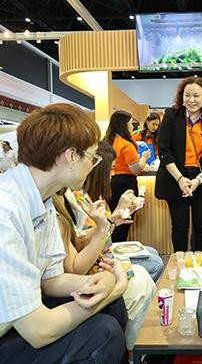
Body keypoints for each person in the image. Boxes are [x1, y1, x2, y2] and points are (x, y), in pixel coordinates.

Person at [0, 103, 127, 363]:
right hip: (13, 330)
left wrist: (95, 284)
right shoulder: (6, 210)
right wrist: (113, 290)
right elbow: (38, 330)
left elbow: (49, 281)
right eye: (92, 156)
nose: (94, 164)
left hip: (16, 321)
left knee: (111, 306)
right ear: (71, 156)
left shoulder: (41, 201)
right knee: (103, 332)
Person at [53, 191, 156, 362]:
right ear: (68, 162)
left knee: (148, 268)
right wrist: (103, 227)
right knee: (146, 274)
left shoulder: (71, 196)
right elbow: (73, 268)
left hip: (95, 266)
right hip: (88, 272)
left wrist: (109, 222)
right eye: (90, 161)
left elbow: (79, 240)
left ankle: (135, 351)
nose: (91, 164)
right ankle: (134, 353)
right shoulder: (51, 207)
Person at [74, 141, 164, 282]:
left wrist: (118, 215)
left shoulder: (93, 196)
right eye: (111, 169)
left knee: (152, 253)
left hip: (104, 251)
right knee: (156, 263)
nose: (113, 174)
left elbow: (104, 231)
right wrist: (113, 218)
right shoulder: (80, 200)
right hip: (99, 260)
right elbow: (89, 240)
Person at [155, 77, 202, 252]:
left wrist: (198, 180)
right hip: (176, 178)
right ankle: (180, 265)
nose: (191, 100)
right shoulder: (171, 116)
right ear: (181, 96)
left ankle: (200, 266)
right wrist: (180, 179)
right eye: (187, 95)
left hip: (201, 180)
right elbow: (164, 150)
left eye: (196, 95)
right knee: (179, 227)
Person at [104, 110, 151, 242]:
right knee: (123, 222)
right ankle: (119, 252)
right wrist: (144, 157)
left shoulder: (109, 141)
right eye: (130, 124)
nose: (132, 127)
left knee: (114, 220)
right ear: (124, 125)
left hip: (112, 183)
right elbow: (135, 168)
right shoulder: (126, 144)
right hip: (126, 184)